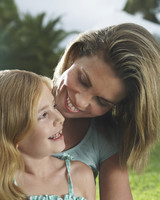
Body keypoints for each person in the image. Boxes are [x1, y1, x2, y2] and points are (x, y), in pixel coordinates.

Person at [53, 22, 160, 200]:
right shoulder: (14, 99)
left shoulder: (105, 139)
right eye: (83, 80)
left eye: (101, 101)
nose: (80, 101)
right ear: (75, 55)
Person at [0, 69, 95, 200]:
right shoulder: (4, 185)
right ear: (15, 131)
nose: (60, 118)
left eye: (54, 106)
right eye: (44, 115)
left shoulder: (80, 175)